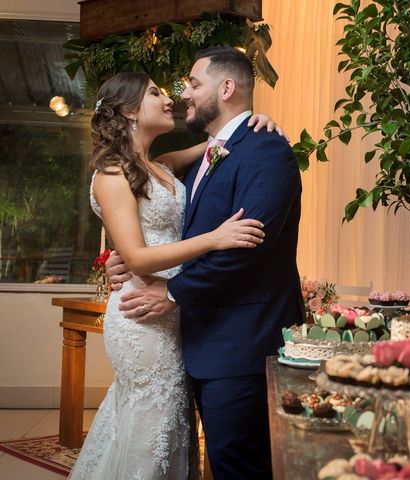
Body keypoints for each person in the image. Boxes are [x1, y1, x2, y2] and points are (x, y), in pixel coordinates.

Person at [70, 71, 282, 480]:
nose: (169, 100)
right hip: (141, 316)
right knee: (152, 421)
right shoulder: (112, 174)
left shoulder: (161, 165)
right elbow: (137, 256)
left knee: (173, 425)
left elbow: (221, 143)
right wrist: (214, 239)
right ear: (130, 111)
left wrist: (261, 122)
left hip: (175, 310)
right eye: (155, 94)